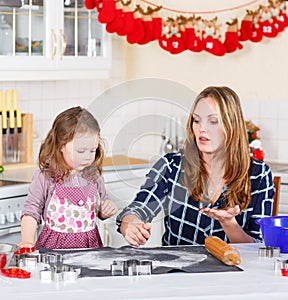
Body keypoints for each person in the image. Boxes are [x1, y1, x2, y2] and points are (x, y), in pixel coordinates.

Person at [117, 86, 274, 247]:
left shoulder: (259, 175)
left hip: (232, 271)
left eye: (213, 121)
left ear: (232, 126)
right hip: (177, 270)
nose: (202, 128)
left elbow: (259, 247)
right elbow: (138, 208)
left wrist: (229, 224)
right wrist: (130, 224)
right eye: (196, 120)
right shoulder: (172, 166)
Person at [18, 107, 118, 250]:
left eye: (92, 150)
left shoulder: (94, 176)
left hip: (90, 249)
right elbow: (31, 212)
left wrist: (107, 208)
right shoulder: (46, 177)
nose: (87, 156)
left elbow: (102, 206)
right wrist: (27, 241)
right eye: (80, 151)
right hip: (54, 250)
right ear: (60, 146)